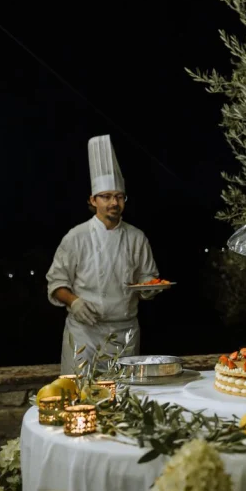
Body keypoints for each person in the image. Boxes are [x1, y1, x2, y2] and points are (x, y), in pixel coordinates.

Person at [46, 134, 161, 373]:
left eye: (119, 197)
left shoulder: (137, 237)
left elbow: (148, 278)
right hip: (83, 334)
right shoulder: (76, 237)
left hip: (125, 333)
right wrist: (74, 302)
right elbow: (56, 283)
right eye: (106, 197)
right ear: (93, 200)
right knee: (79, 393)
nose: (113, 203)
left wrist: (149, 288)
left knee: (123, 392)